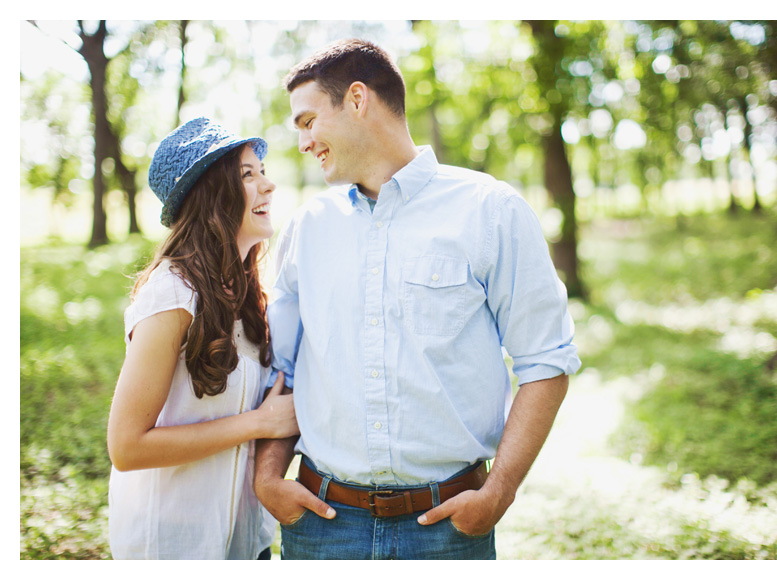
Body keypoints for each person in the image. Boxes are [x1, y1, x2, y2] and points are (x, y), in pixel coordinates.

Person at [254, 39, 581, 560]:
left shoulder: (490, 211)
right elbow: (284, 370)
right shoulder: (308, 229)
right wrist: (268, 477)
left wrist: (499, 492)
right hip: (323, 525)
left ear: (357, 100)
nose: (303, 142)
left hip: (448, 530)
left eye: (308, 121)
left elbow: (546, 361)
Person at [107, 117, 297, 559]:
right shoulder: (172, 293)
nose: (268, 185)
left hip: (246, 544)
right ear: (212, 195)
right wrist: (259, 423)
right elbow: (127, 446)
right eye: (248, 175)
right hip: (172, 547)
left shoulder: (253, 294)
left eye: (263, 170)